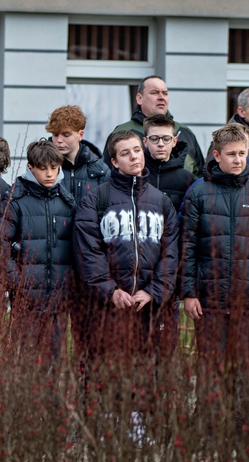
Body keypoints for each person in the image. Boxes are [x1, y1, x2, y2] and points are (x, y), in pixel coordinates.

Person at [73, 130, 180, 356]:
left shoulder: (161, 202)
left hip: (150, 309)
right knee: (105, 379)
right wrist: (110, 290)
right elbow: (88, 252)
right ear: (114, 162)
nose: (134, 157)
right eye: (125, 153)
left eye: (137, 150)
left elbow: (170, 253)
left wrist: (153, 291)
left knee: (147, 380)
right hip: (106, 309)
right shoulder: (95, 199)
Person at [181, 124, 249, 361]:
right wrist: (188, 293)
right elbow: (188, 247)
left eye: (242, 153)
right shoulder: (199, 194)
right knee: (211, 370)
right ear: (216, 155)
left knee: (245, 372)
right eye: (231, 154)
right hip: (209, 301)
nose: (238, 160)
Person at [0, 139, 76, 357]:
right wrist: (18, 284)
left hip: (59, 297)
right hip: (27, 299)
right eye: (43, 169)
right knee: (27, 359)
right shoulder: (16, 200)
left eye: (54, 167)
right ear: (31, 168)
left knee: (54, 357)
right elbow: (2, 246)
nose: (50, 174)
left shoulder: (66, 200)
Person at [142, 114, 197, 356]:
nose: (160, 144)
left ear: (175, 141)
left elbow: (189, 231)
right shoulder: (136, 176)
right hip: (137, 269)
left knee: (165, 342)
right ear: (145, 142)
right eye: (155, 139)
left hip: (169, 272)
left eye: (166, 139)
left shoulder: (188, 181)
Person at [102, 75, 204, 176]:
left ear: (174, 140)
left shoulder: (184, 132)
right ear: (139, 98)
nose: (161, 97)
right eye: (154, 93)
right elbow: (106, 175)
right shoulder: (122, 133)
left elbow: (200, 176)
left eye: (165, 93)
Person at [46, 105, 110, 204]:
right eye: (55, 135)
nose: (59, 140)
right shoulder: (42, 166)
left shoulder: (100, 169)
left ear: (80, 135)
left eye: (66, 135)